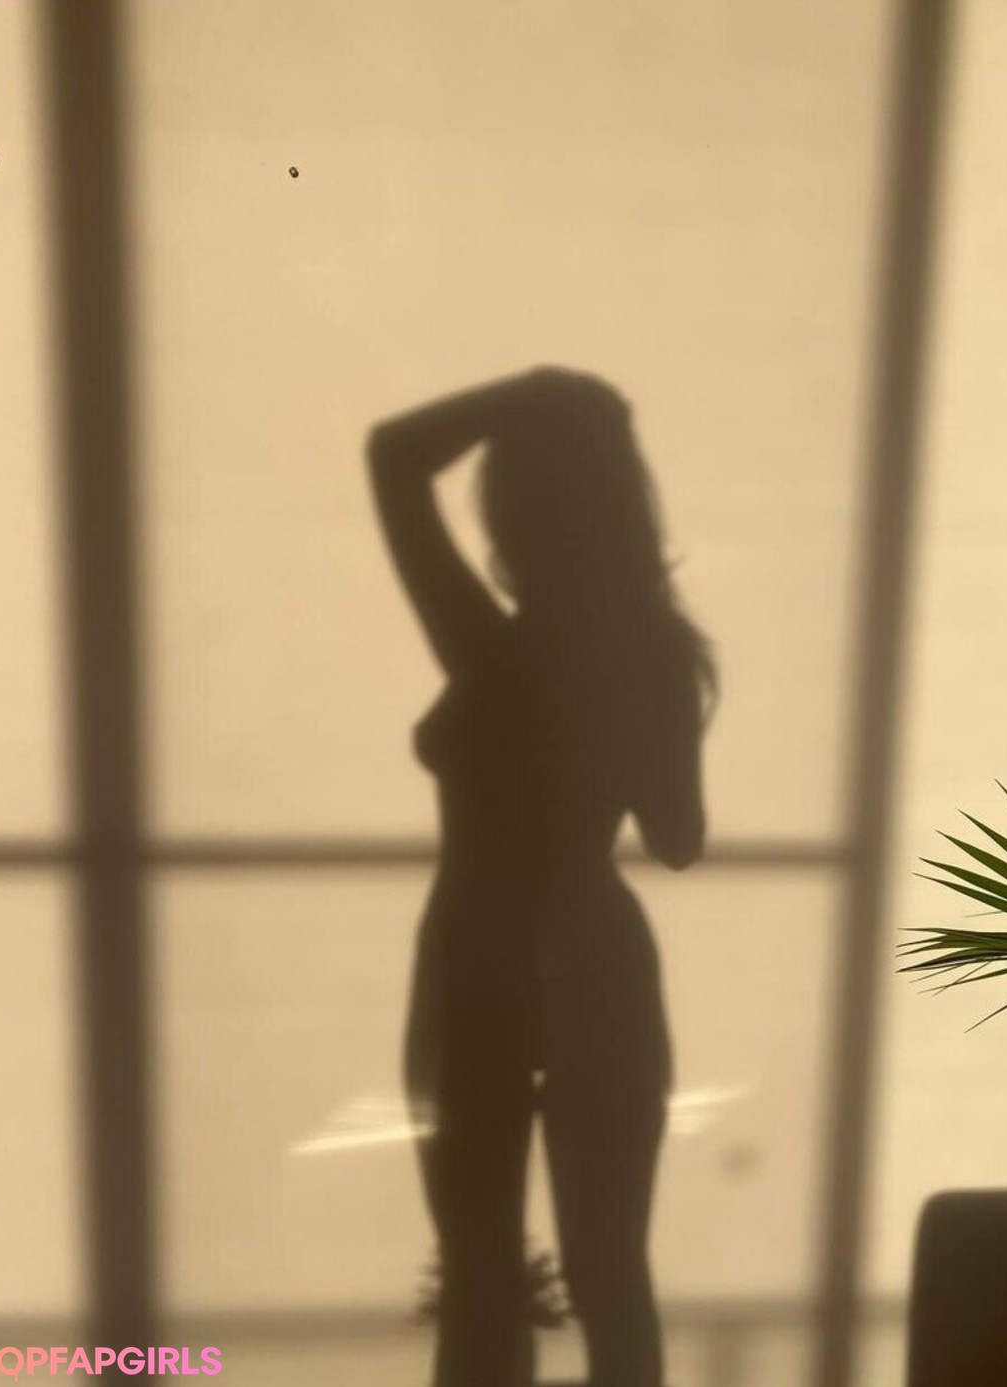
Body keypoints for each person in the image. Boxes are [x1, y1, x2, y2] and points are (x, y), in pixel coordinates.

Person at [367, 366, 714, 1387]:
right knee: (612, 1277)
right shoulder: (654, 655)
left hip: (473, 958)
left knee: (482, 1280)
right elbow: (678, 838)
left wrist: (521, 397)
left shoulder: (486, 648)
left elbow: (394, 457)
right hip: (593, 955)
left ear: (514, 510)